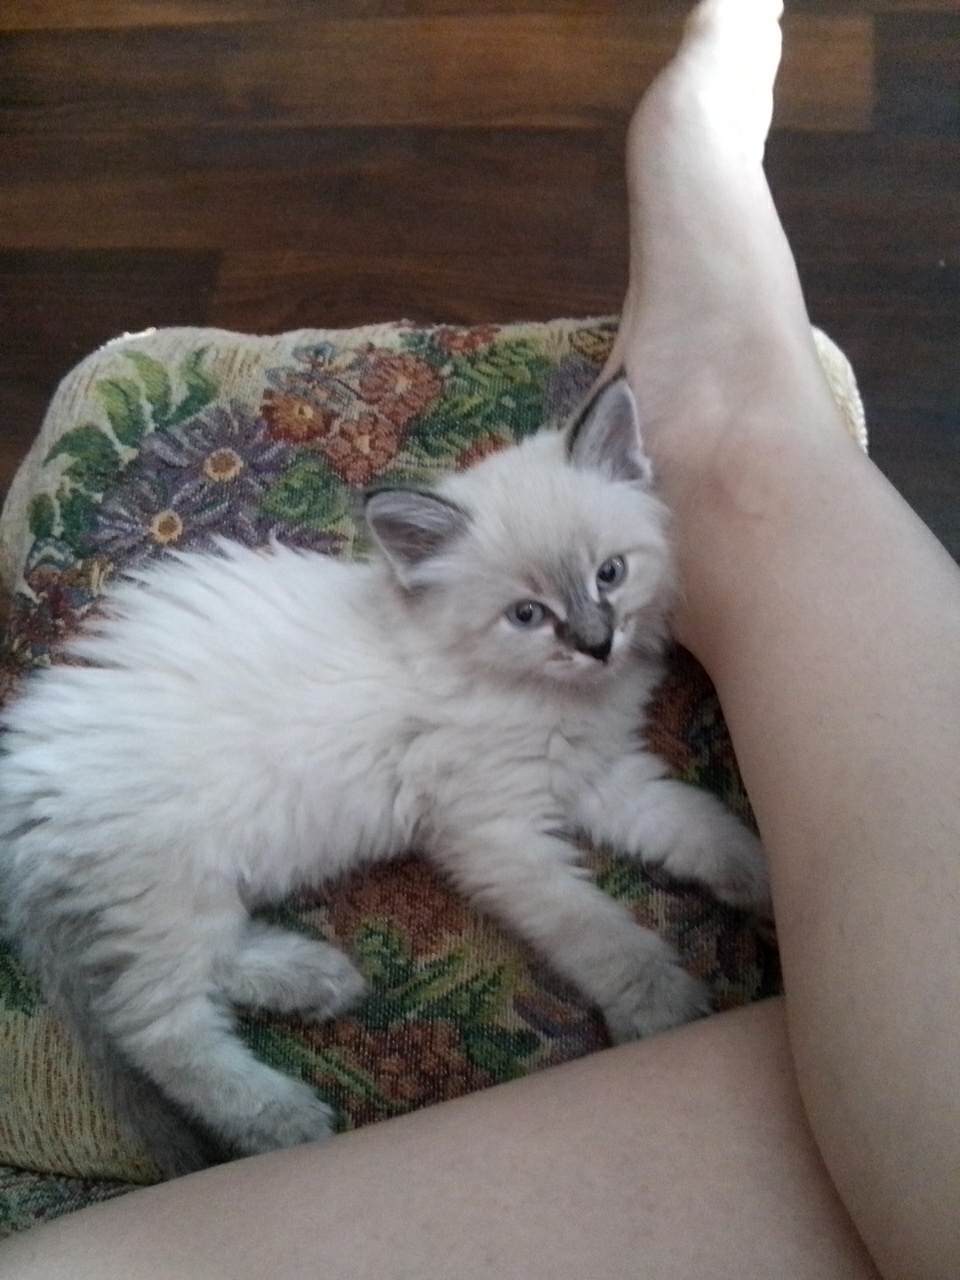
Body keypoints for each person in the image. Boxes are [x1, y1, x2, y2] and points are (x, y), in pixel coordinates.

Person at [4, 2, 958, 1276]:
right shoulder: (447, 678)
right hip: (135, 780)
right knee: (156, 954)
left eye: (610, 578)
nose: (594, 637)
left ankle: (720, 409)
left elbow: (611, 781)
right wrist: (627, 967)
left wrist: (744, 864)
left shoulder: (558, 637)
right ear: (426, 582)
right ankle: (184, 1035)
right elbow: (498, 835)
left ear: (633, 493)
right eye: (533, 614)